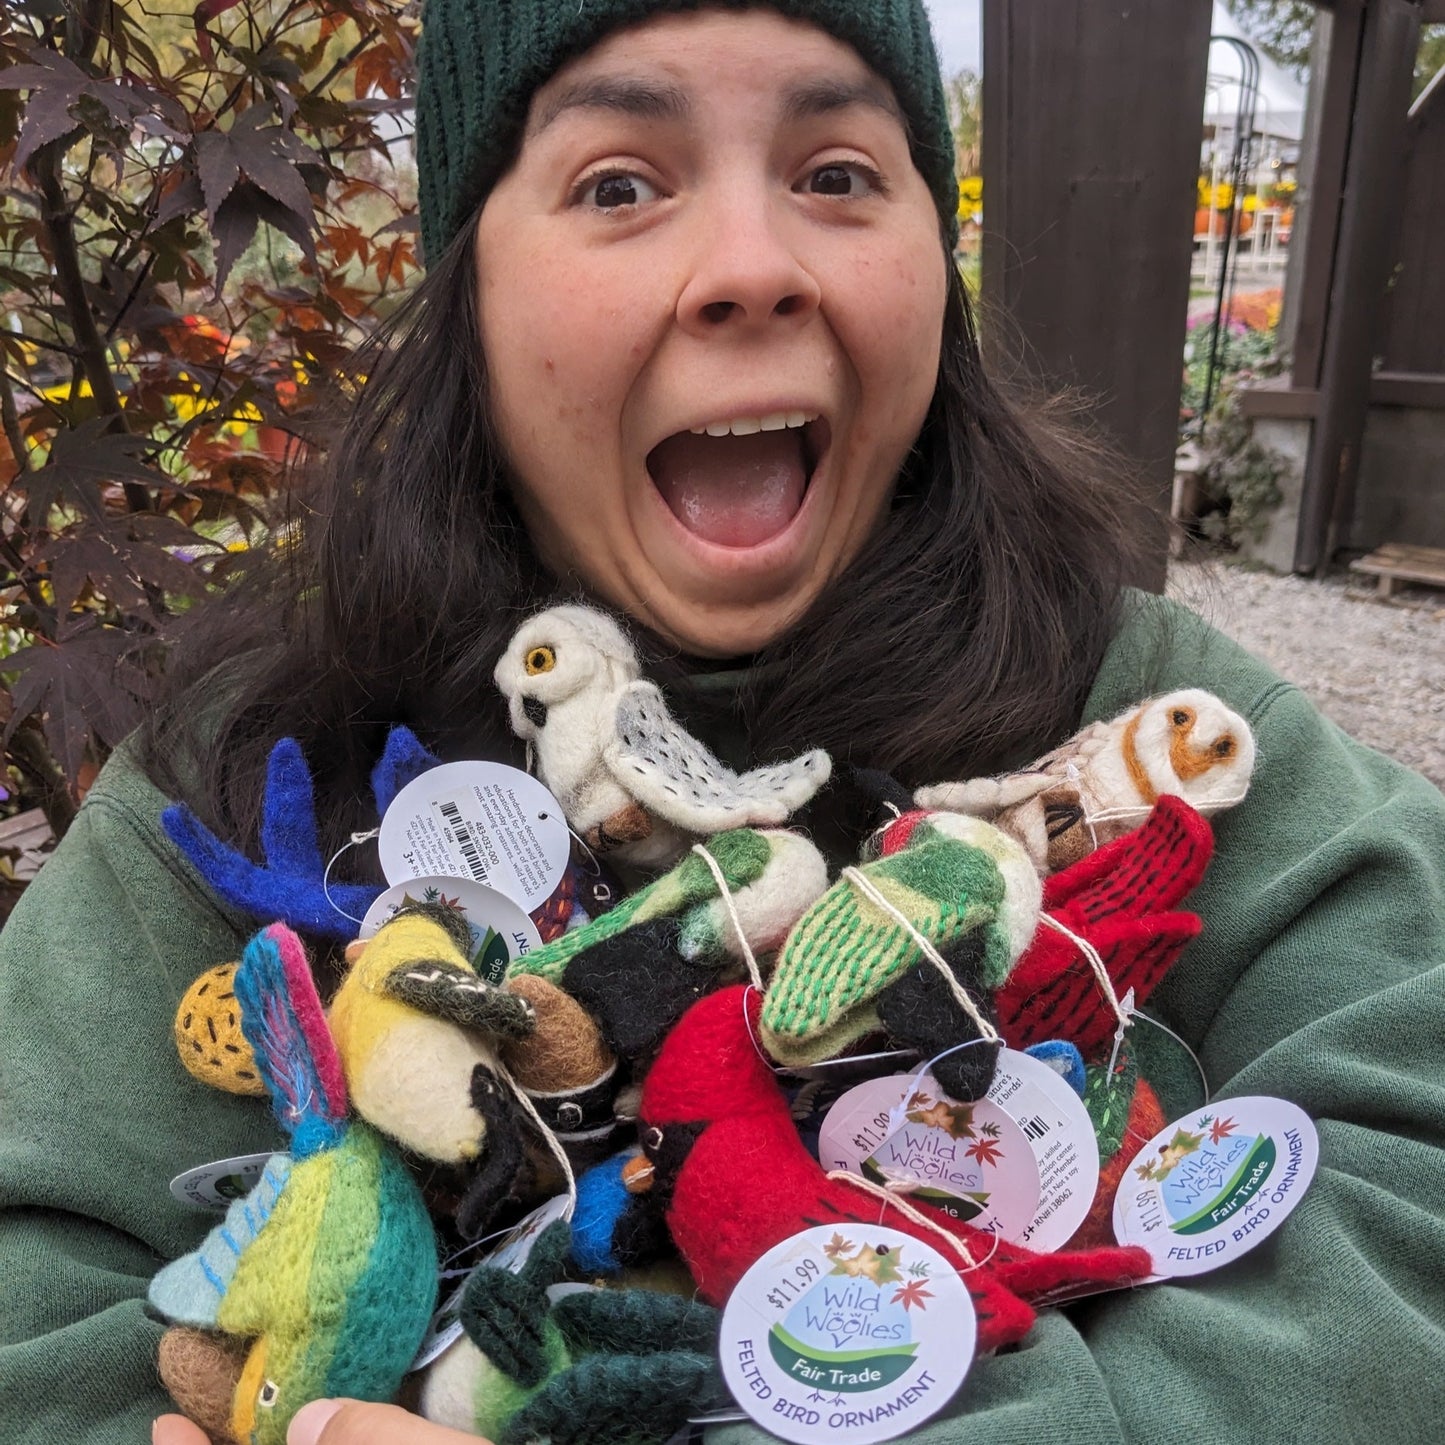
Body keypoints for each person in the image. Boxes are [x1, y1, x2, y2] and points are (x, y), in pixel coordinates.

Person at [2, 2, 1443, 1443]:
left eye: (835, 175)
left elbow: (1404, 1215)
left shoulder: (1165, 739)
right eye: (617, 183)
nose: (753, 269)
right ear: (468, 296)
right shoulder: (244, 783)